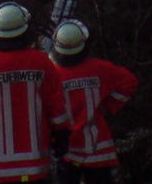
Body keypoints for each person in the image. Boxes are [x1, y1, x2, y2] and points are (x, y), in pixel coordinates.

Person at [0, 2, 70, 183]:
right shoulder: (42, 63)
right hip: (36, 169)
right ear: (26, 29)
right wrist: (62, 133)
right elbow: (56, 106)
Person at [49, 19, 139, 184]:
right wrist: (109, 106)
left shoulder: (51, 74)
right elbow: (130, 82)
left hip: (66, 151)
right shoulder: (100, 68)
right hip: (98, 149)